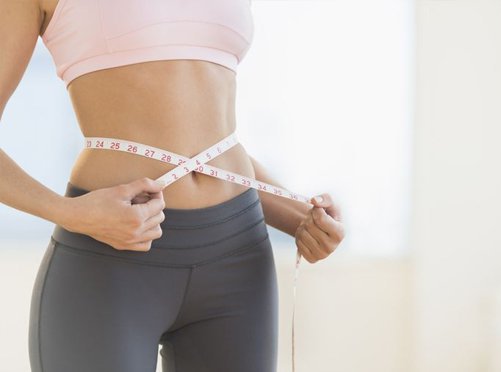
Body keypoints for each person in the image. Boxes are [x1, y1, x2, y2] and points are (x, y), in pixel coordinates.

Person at [0, 0, 345, 371]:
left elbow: (207, 143)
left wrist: (298, 217)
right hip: (110, 257)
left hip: (238, 256)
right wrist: (70, 214)